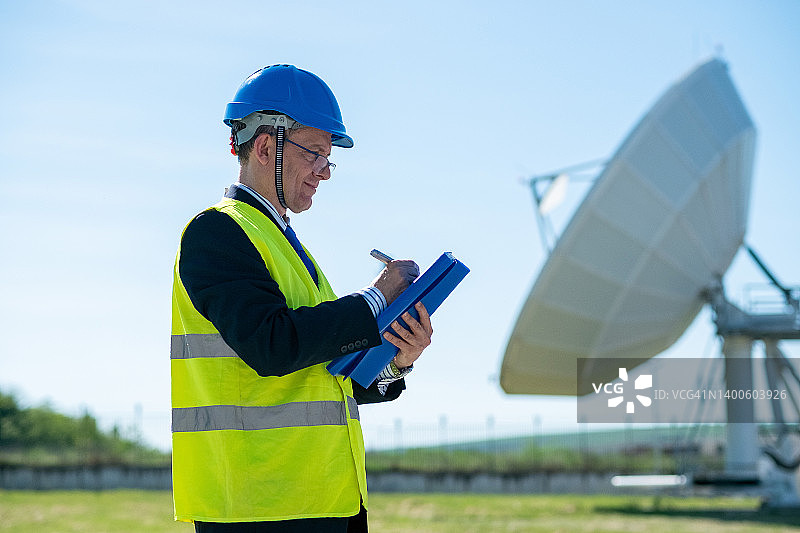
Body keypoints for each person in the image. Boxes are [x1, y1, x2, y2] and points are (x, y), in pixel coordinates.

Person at [170, 64, 433, 532]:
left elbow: (330, 380)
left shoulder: (288, 248)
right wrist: (376, 299)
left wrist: (397, 359)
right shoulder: (218, 232)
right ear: (267, 144)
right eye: (315, 153)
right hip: (259, 507)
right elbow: (274, 347)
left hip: (324, 503)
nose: (324, 172)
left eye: (329, 159)